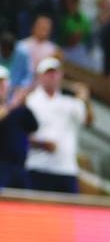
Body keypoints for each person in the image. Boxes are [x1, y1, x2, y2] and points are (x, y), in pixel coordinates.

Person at [24, 57, 92, 193]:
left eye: (55, 73)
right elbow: (22, 135)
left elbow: (88, 121)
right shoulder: (30, 101)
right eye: (48, 73)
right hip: (38, 166)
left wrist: (85, 98)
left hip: (65, 168)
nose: (52, 76)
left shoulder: (70, 102)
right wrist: (42, 144)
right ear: (40, 76)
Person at [0, 64, 38, 189]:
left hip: (19, 167)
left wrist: (23, 103)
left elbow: (34, 126)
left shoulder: (18, 109)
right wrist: (13, 104)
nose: (2, 86)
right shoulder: (12, 106)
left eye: (3, 83)